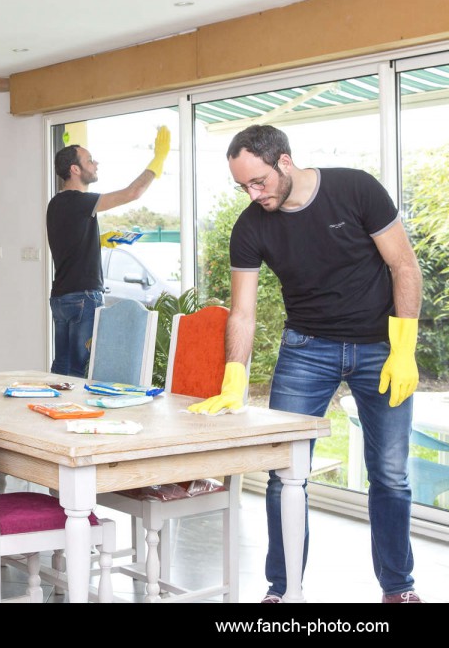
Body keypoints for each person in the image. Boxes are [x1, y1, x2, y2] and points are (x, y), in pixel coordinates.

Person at [190, 124, 423, 604]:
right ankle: (283, 588)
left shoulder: (356, 189)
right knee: (283, 473)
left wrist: (404, 349)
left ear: (285, 162)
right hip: (306, 349)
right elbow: (244, 312)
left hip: (379, 345)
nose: (253, 194)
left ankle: (398, 589)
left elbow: (404, 265)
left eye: (259, 182)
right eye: (242, 187)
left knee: (391, 473)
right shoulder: (250, 226)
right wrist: (235, 379)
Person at [45, 127, 171, 376]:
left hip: (62, 297)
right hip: (83, 297)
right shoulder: (79, 201)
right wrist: (158, 160)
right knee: (82, 370)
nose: (96, 163)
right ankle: (79, 414)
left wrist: (99, 240)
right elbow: (131, 193)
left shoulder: (57, 203)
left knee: (62, 369)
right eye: (90, 160)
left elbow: (69, 243)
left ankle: (60, 412)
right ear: (75, 169)